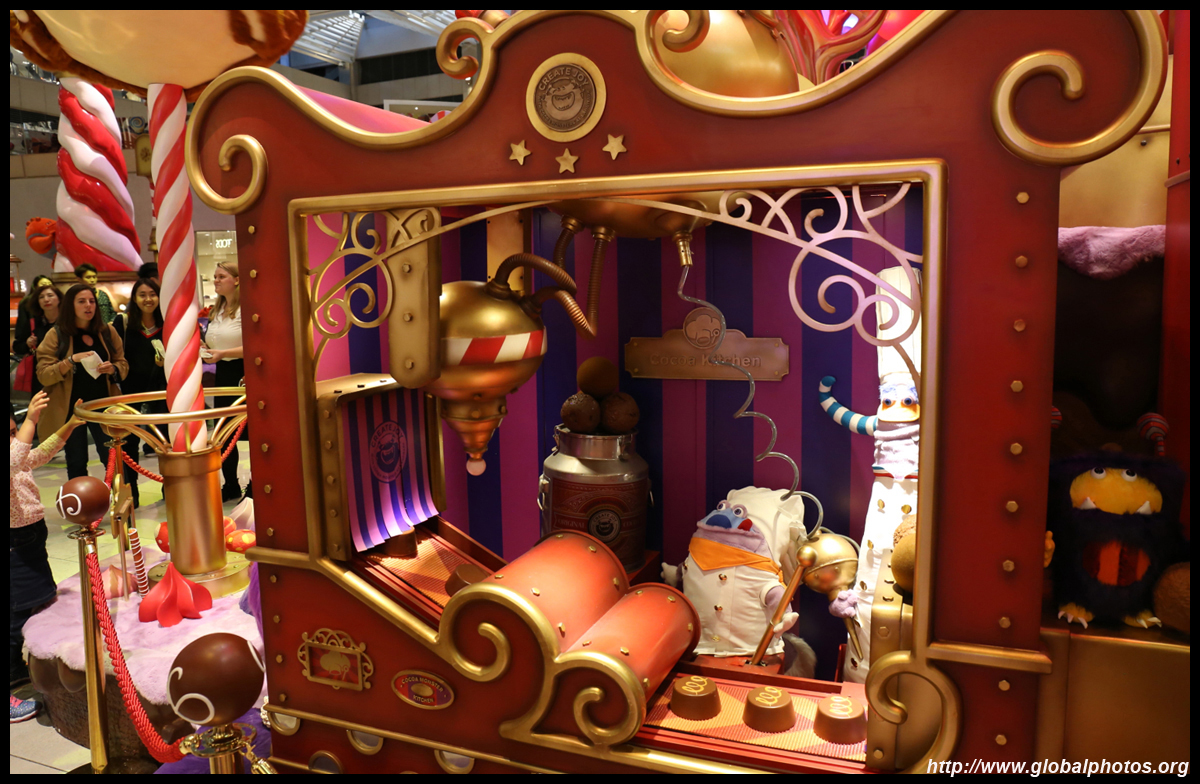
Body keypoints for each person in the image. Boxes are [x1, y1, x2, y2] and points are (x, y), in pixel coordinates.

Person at [35, 283, 138, 506]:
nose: (88, 306)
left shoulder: (107, 331)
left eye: (91, 301)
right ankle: (81, 506)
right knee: (76, 459)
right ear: (70, 306)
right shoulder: (57, 334)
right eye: (81, 301)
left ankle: (124, 503)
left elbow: (122, 363)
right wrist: (70, 361)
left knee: (112, 456)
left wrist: (113, 368)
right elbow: (43, 374)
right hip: (71, 409)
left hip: (103, 406)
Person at [10, 392, 85, 697]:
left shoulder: (15, 454)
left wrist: (71, 424)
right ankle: (13, 678)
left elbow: (39, 454)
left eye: (13, 432)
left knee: (39, 598)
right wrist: (30, 419)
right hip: (14, 542)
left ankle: (32, 662)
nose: (14, 441)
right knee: (18, 609)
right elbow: (15, 459)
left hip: (30, 535)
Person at [203, 261, 249, 501]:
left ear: (237, 280)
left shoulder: (247, 308)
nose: (216, 280)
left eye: (222, 276)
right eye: (215, 276)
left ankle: (255, 483)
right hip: (222, 374)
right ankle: (230, 484)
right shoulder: (217, 310)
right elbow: (217, 342)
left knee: (250, 431)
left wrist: (223, 353)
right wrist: (206, 348)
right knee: (225, 433)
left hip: (245, 373)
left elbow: (257, 345)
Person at [113, 277, 168, 466]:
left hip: (160, 387)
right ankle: (130, 483)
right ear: (134, 298)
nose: (148, 299)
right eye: (142, 295)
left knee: (164, 437)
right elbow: (115, 353)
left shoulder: (166, 322)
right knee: (129, 439)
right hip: (131, 387)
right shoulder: (124, 322)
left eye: (153, 294)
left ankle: (169, 481)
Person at [11, 284, 62, 397]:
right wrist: (27, 343)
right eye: (41, 297)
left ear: (59, 299)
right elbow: (17, 346)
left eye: (50, 295)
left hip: (65, 371)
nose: (46, 300)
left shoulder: (68, 322)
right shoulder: (34, 323)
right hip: (41, 374)